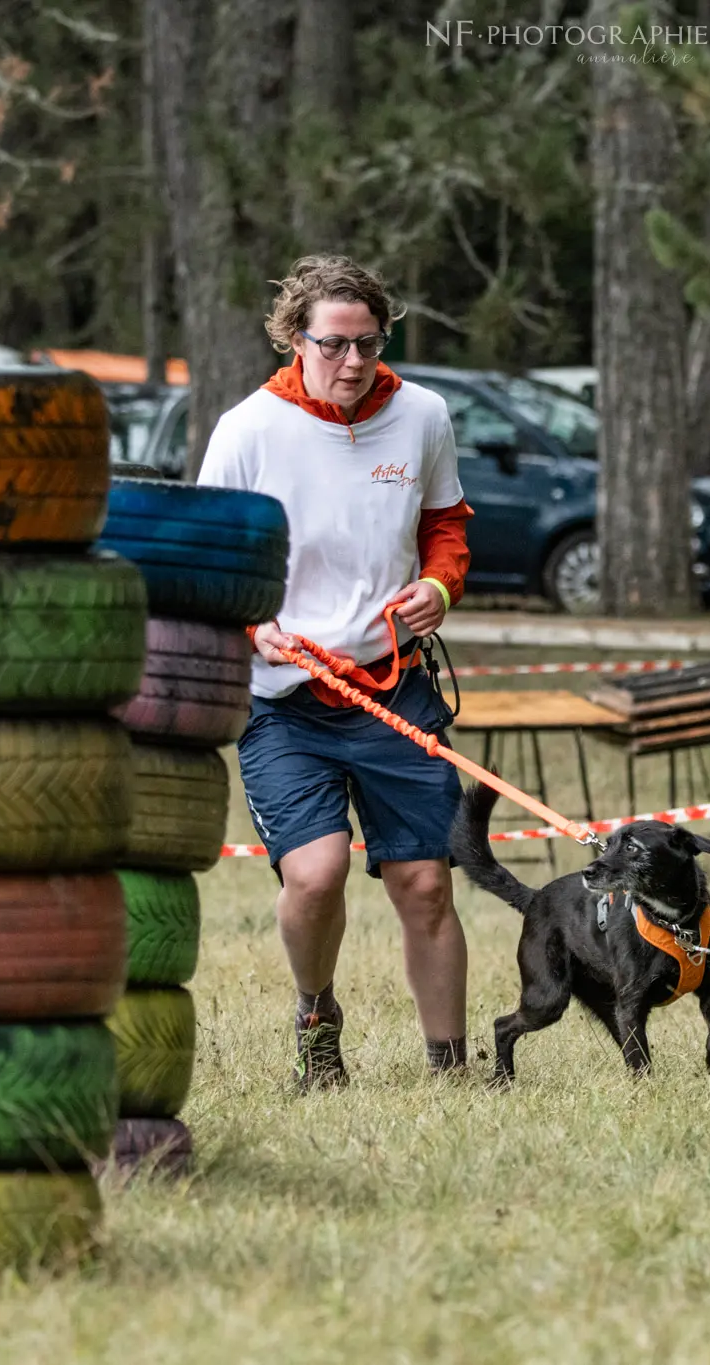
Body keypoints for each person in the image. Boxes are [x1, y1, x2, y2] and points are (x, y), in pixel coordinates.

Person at [197, 255, 475, 1091]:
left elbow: (447, 524)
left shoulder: (422, 415)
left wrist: (438, 585)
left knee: (425, 883)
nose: (354, 362)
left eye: (369, 343)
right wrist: (255, 628)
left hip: (395, 685)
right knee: (314, 876)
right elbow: (211, 560)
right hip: (287, 700)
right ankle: (316, 1015)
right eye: (334, 345)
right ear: (294, 338)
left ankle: (450, 1069)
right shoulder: (248, 429)